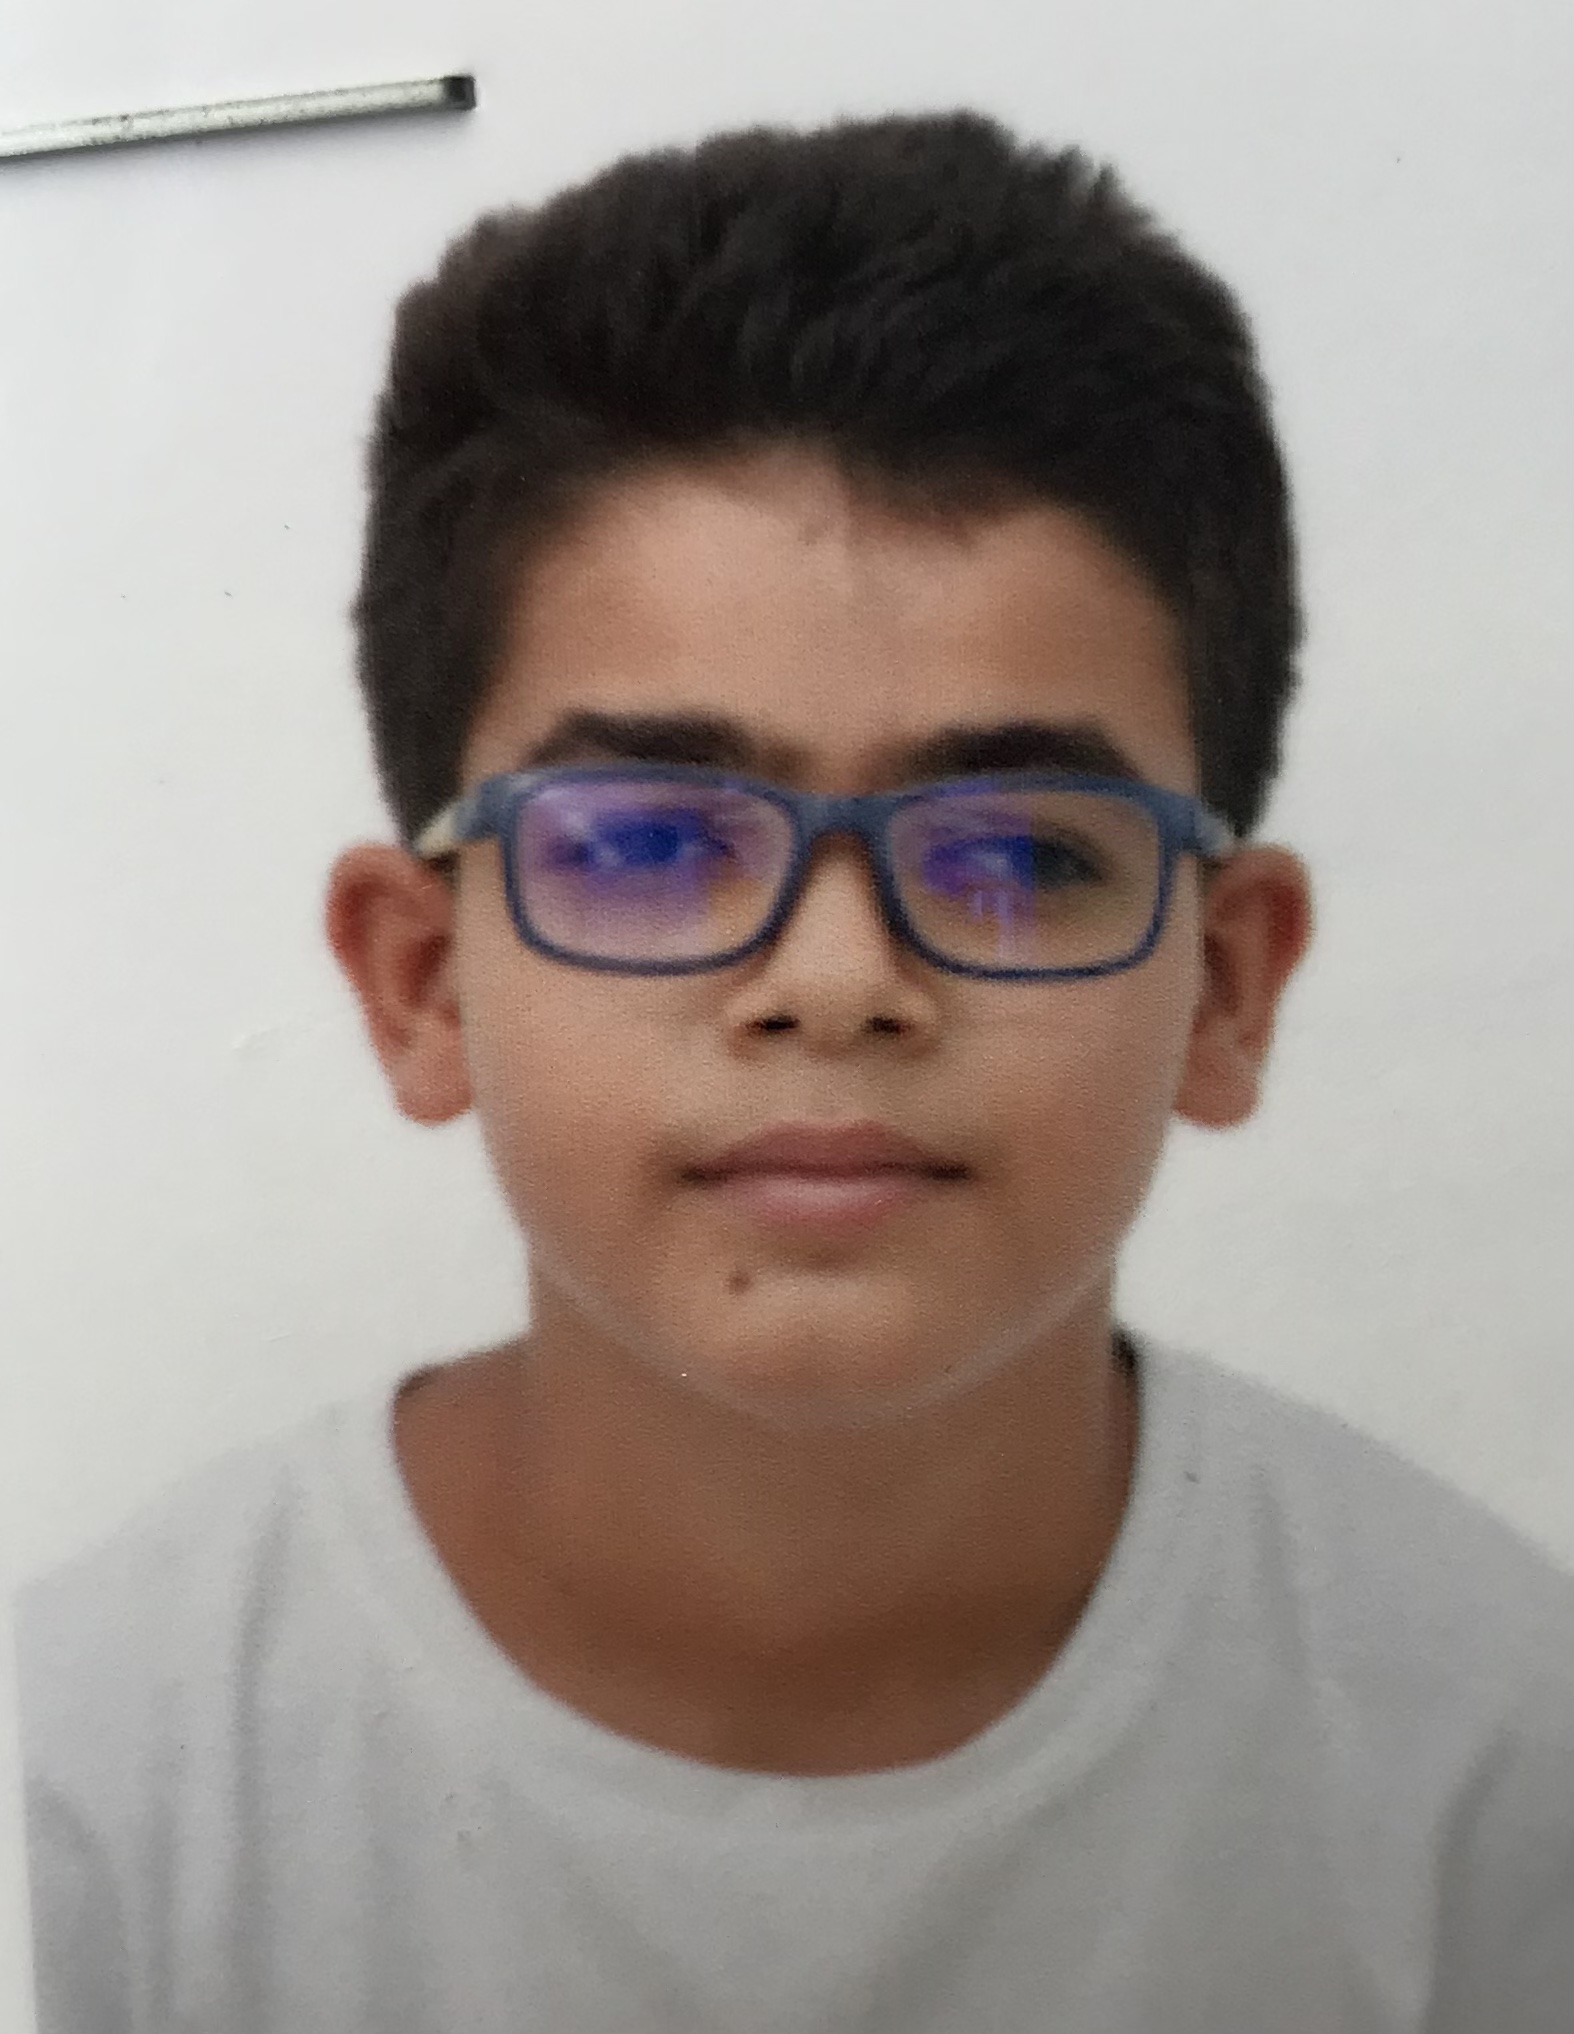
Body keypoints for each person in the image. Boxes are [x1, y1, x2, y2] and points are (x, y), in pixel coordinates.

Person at [15, 109, 1572, 2034]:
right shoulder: (83, 1804)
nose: (837, 985)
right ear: (420, 981)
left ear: (1224, 988)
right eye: (648, 841)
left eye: (1020, 854)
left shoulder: (1500, 1774)